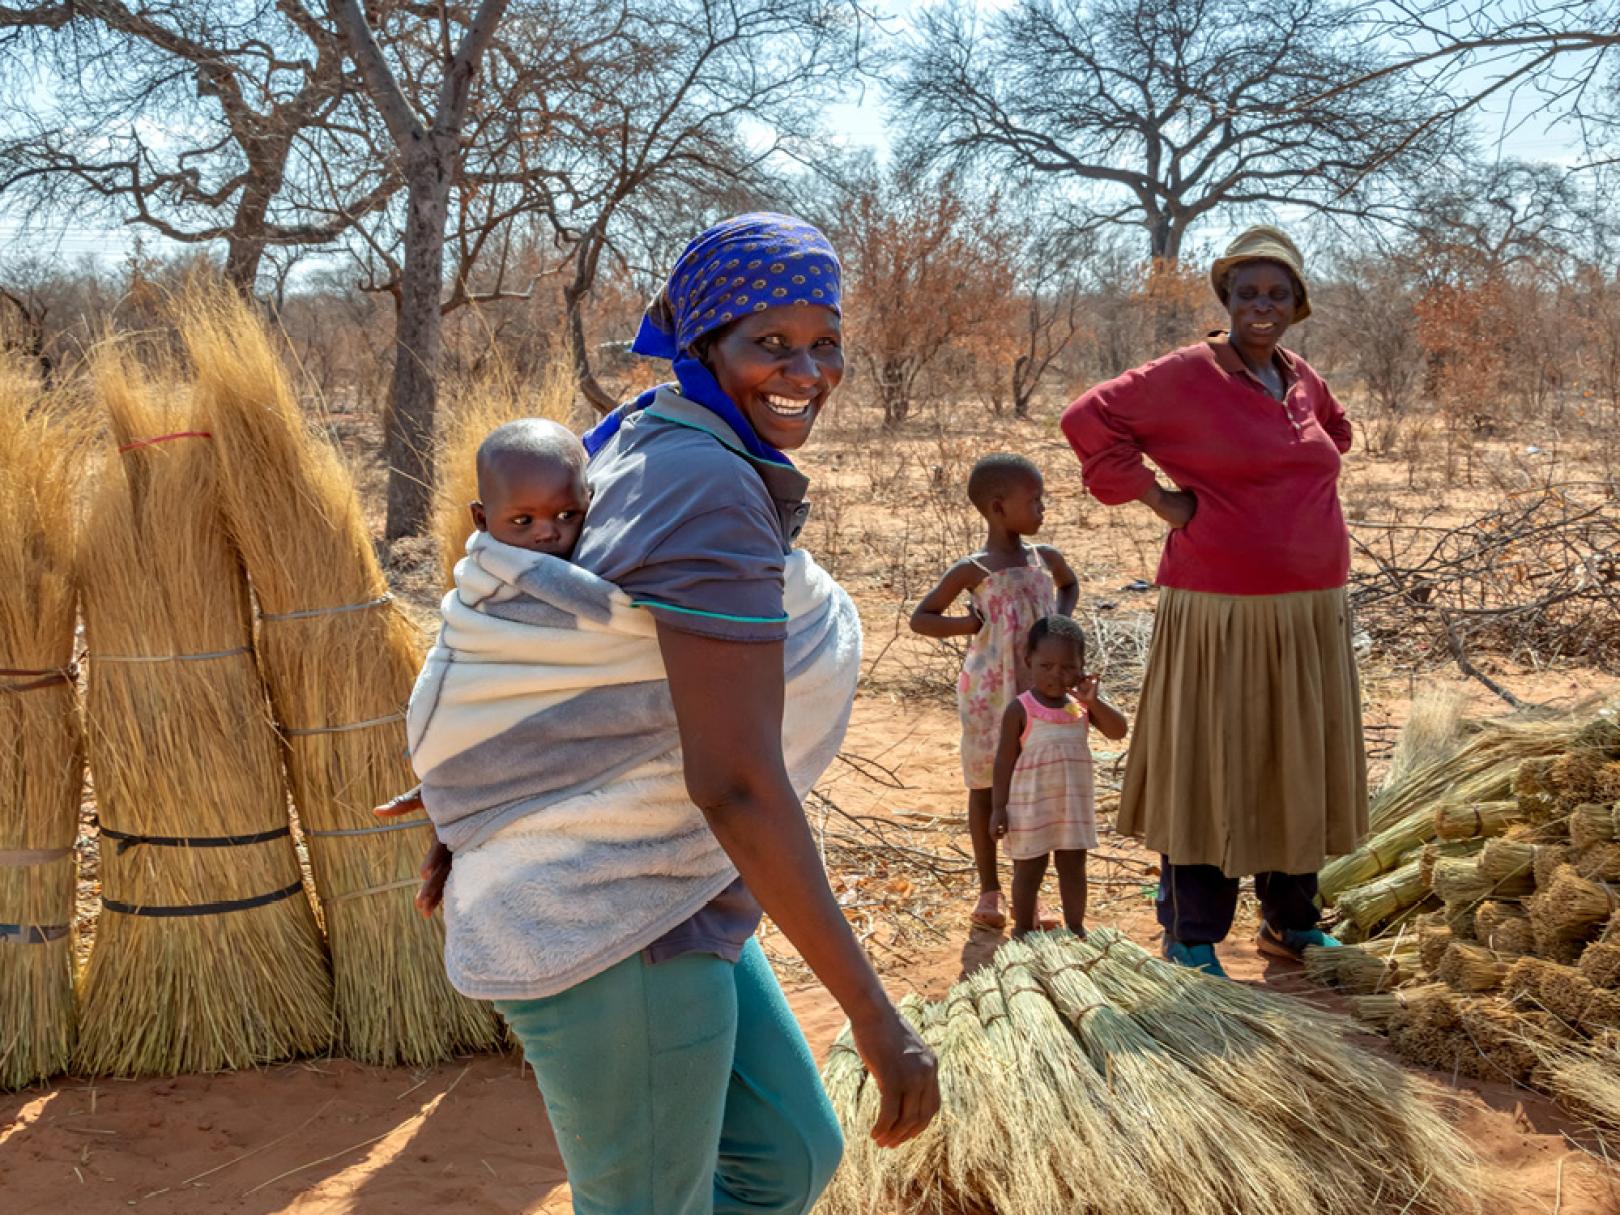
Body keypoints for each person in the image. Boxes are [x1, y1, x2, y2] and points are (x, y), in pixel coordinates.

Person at [388, 214, 939, 1215]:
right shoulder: (704, 484)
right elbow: (732, 781)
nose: (805, 371)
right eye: (768, 343)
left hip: (664, 880)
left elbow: (572, 651)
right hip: (602, 909)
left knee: (787, 1159)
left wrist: (484, 788)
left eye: (824, 341)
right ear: (702, 342)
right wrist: (874, 1014)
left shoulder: (661, 430)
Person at [1059, 225, 1367, 978]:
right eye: (1246, 291)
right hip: (1221, 609)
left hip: (1311, 608)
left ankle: (1293, 922)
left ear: (1298, 305)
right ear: (1225, 299)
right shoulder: (1190, 373)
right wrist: (1167, 502)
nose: (1261, 305)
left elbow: (1338, 435)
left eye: (1277, 293)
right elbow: (1085, 419)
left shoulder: (1300, 377)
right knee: (1214, 763)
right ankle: (1191, 931)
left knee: (1294, 760)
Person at [909, 454, 1077, 930]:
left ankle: (1030, 895)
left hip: (1038, 696)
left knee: (1032, 788)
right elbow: (922, 618)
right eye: (1034, 500)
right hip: (988, 696)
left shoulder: (1045, 559)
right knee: (985, 786)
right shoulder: (973, 570)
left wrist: (1060, 626)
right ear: (999, 508)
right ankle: (990, 891)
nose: (1043, 508)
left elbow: (1070, 584)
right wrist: (969, 623)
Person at [990, 615, 1127, 938]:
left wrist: (1093, 701)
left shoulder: (1081, 708)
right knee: (1029, 869)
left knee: (1073, 868)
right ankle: (1023, 928)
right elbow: (1003, 763)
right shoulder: (1020, 709)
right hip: (1030, 808)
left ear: (1082, 668)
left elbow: (1118, 731)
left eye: (1068, 667)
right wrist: (998, 807)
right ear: (1029, 662)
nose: (1056, 675)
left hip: (1071, 809)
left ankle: (1076, 928)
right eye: (1046, 665)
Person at [470, 418, 591, 557]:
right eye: (523, 521)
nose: (547, 534)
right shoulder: (477, 575)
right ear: (481, 519)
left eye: (566, 515)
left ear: (589, 499)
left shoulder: (599, 563)